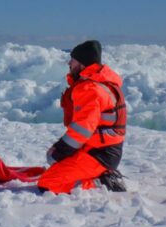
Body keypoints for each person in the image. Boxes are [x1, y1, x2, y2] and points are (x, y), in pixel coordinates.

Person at [37, 40, 127, 193]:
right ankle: (100, 174)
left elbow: (82, 130)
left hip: (99, 154)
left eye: (73, 60)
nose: (69, 63)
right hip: (98, 149)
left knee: (48, 183)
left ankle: (100, 181)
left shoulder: (89, 89)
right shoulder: (101, 83)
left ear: (82, 64)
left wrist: (60, 151)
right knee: (54, 172)